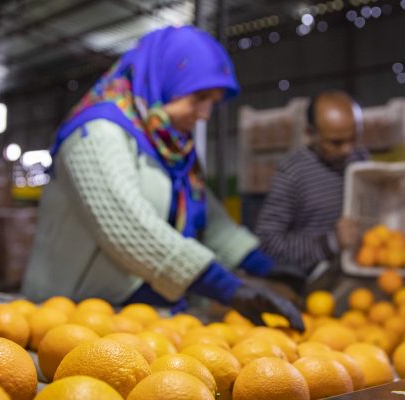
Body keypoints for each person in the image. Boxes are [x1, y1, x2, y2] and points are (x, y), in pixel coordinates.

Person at [21, 26, 303, 330]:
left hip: (138, 320)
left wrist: (264, 266)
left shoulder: (166, 144)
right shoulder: (96, 133)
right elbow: (127, 226)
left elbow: (208, 216)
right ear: (166, 79)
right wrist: (227, 287)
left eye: (213, 101)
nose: (206, 113)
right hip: (71, 317)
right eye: (199, 98)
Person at [255, 90, 369, 279]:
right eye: (336, 142)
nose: (347, 150)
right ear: (310, 133)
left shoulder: (360, 159)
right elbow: (269, 243)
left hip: (357, 268)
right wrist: (331, 242)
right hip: (313, 279)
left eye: (353, 138)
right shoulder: (293, 173)